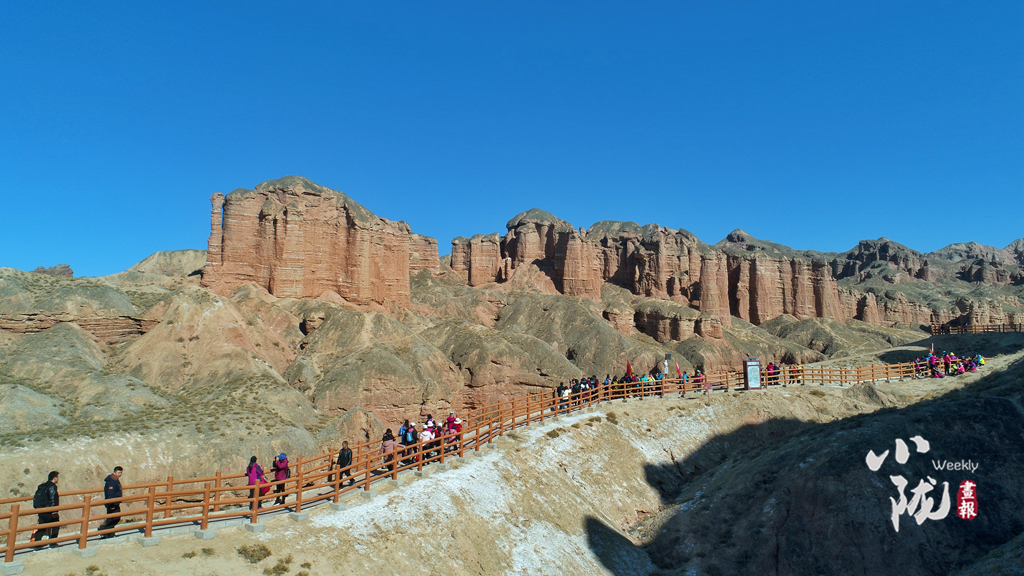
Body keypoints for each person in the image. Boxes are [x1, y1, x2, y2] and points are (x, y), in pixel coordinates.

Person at [32, 471, 60, 547]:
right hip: (49, 511)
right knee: (56, 525)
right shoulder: (52, 487)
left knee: (42, 527)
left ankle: (37, 544)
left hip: (41, 510)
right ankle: (53, 543)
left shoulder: (42, 486)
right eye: (57, 477)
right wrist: (54, 511)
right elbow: (53, 498)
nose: (58, 479)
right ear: (54, 478)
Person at [99, 466, 123, 538]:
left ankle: (110, 533)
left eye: (120, 473)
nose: (120, 474)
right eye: (118, 473)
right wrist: (111, 504)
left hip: (115, 502)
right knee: (114, 518)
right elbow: (110, 493)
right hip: (112, 503)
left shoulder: (115, 479)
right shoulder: (111, 481)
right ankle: (107, 533)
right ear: (114, 472)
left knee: (113, 518)